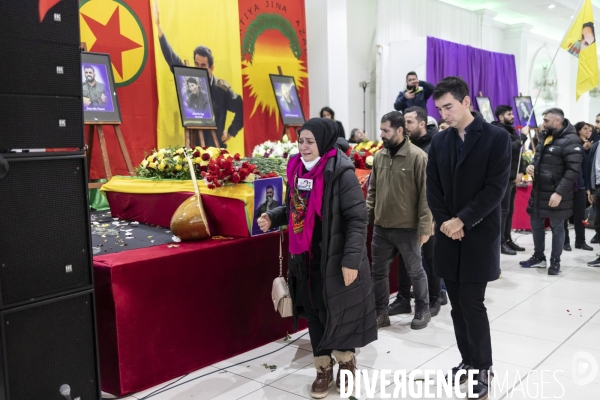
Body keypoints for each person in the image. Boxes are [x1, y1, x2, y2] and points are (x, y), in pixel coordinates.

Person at [257, 118, 376, 398]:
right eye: (301, 140)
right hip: (305, 259)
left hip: (334, 257)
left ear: (323, 142)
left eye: (310, 141)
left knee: (339, 310)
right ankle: (323, 367)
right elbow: (296, 209)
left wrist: (350, 260)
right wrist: (273, 216)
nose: (304, 146)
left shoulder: (340, 172)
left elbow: (357, 220)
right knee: (315, 312)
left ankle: (346, 364)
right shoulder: (297, 169)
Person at [427, 76, 511, 399]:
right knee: (456, 307)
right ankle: (467, 360)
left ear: (466, 102)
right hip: (448, 234)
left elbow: (495, 190)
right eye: (439, 109)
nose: (443, 114)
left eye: (448, 107)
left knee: (472, 303)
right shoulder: (440, 141)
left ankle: (483, 368)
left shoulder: (496, 139)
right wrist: (446, 221)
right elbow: (432, 186)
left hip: (478, 234)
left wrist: (463, 219)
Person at [367, 111, 432, 330]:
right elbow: (372, 192)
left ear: (400, 130)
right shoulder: (379, 156)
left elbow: (426, 195)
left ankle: (422, 309)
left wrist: (424, 226)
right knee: (378, 273)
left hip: (407, 228)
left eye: (386, 130)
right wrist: (368, 218)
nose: (381, 134)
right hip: (381, 228)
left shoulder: (418, 157)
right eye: (381, 129)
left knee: (415, 270)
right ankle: (381, 313)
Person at [153, 0, 243, 148]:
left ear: (211, 67)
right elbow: (172, 58)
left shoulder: (222, 89)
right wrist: (158, 28)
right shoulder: (189, 79)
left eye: (203, 66)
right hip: (194, 150)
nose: (199, 69)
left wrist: (231, 132)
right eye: (196, 64)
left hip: (216, 151)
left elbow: (241, 108)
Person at [387, 106, 442, 317]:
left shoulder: (435, 145)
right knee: (404, 255)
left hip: (428, 210)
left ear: (421, 123)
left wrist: (433, 216)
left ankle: (435, 298)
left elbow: (440, 182)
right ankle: (402, 298)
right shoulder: (404, 146)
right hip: (405, 212)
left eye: (409, 122)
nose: (405, 126)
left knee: (430, 256)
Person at [520, 108, 582, 275]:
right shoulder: (545, 137)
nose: (543, 123)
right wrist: (531, 166)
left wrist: (560, 192)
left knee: (557, 227)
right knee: (536, 224)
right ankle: (539, 257)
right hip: (539, 191)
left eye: (546, 120)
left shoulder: (571, 140)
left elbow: (573, 171)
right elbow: (537, 158)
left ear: (557, 121)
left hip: (557, 193)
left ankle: (555, 261)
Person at [492, 105, 528, 255]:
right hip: (503, 176)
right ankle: (500, 243)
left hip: (512, 176)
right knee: (503, 211)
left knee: (510, 210)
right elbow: (511, 148)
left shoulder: (510, 130)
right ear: (501, 117)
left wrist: (521, 171)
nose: (513, 116)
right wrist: (523, 137)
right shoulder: (498, 131)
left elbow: (518, 156)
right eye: (509, 114)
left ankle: (507, 239)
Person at [563, 122, 593, 252]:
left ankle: (580, 241)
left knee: (580, 215)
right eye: (585, 129)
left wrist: (587, 187)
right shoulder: (569, 144)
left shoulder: (588, 146)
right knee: (564, 215)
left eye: (589, 129)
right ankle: (565, 242)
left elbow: (586, 168)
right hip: (567, 186)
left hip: (580, 185)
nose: (588, 131)